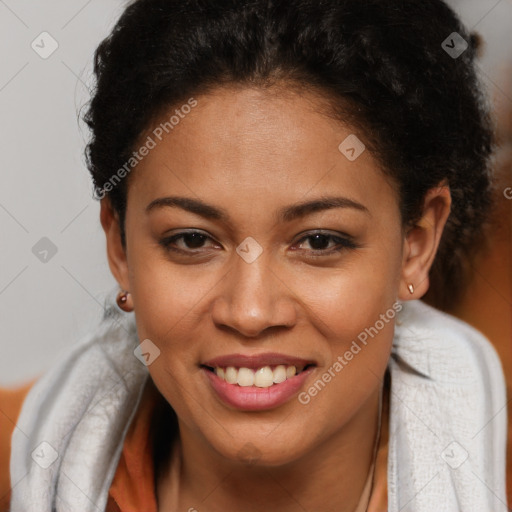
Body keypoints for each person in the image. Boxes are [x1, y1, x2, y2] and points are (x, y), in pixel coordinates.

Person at [1, 0, 508, 511]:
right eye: (193, 240)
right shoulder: (16, 458)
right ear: (121, 247)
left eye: (319, 241)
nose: (250, 312)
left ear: (416, 246)